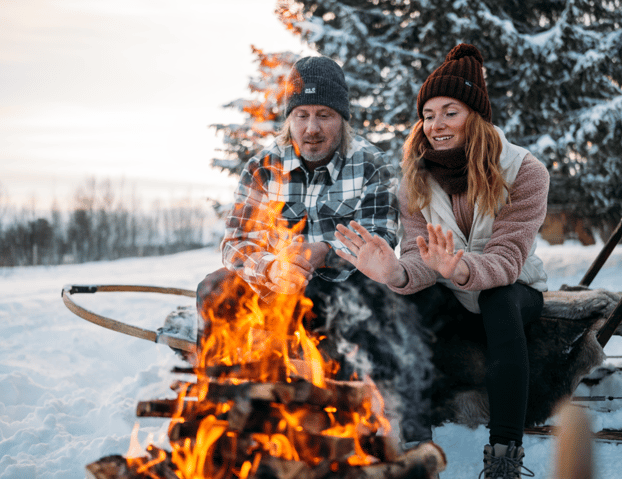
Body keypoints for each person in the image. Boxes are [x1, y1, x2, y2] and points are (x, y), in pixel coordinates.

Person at [335, 43, 549, 478]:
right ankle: (417, 447)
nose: (436, 125)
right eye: (428, 115)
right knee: (404, 305)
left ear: (476, 115)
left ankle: (504, 457)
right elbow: (418, 257)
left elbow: (508, 258)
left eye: (450, 112)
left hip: (513, 288)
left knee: (499, 300)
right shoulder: (415, 179)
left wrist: (462, 268)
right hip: (450, 291)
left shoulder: (526, 172)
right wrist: (395, 272)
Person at [196, 54, 399, 348]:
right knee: (214, 289)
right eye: (301, 115)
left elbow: (382, 239)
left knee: (370, 303)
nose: (311, 128)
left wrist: (327, 253)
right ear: (290, 119)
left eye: (324, 115)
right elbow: (235, 243)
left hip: (340, 292)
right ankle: (228, 380)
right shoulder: (264, 166)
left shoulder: (371, 164)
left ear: (342, 118)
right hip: (273, 289)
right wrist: (271, 267)